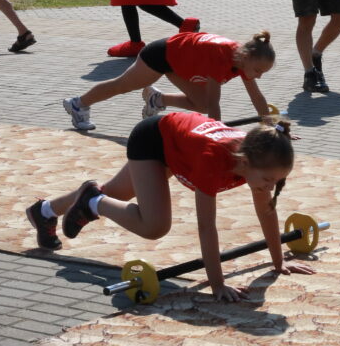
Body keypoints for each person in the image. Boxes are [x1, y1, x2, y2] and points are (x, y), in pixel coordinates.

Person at [26, 112, 314, 301]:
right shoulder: (214, 162)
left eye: (277, 181)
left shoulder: (257, 158)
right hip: (153, 141)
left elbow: (267, 210)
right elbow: (206, 226)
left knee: (115, 194)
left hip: (178, 141)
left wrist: (279, 262)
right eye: (267, 180)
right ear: (245, 162)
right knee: (154, 226)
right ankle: (93, 202)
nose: (269, 186)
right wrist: (217, 285)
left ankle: (45, 211)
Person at [62, 31, 274, 132]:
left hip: (179, 62)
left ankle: (157, 99)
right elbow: (215, 103)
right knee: (122, 85)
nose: (259, 75)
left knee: (202, 104)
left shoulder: (244, 60)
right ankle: (78, 104)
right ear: (246, 58)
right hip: (161, 55)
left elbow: (257, 97)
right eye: (258, 70)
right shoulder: (222, 57)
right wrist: (216, 134)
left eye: (263, 72)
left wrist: (274, 128)